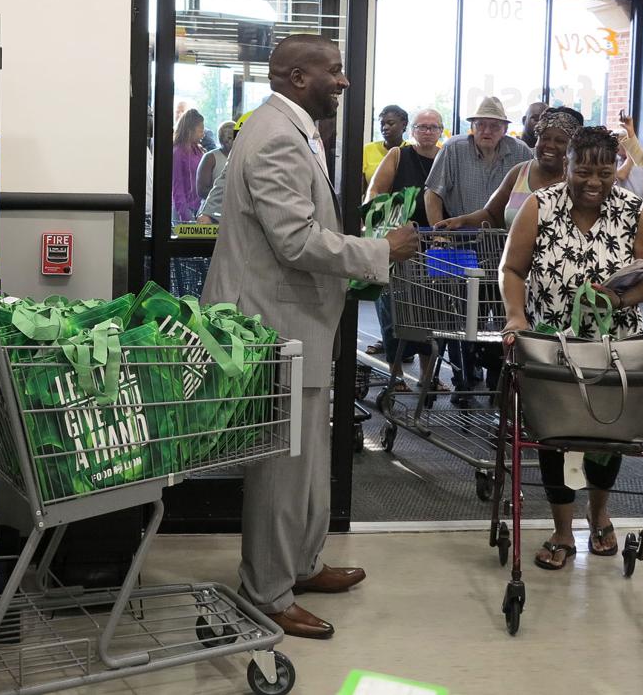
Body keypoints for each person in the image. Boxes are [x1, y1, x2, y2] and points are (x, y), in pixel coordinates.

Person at [202, 34, 419, 640]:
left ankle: (300, 565)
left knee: (307, 456)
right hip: (274, 325)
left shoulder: (286, 126)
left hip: (298, 321)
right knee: (281, 462)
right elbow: (295, 240)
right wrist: (382, 250)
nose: (344, 82)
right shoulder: (275, 135)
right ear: (297, 76)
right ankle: (266, 592)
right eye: (335, 71)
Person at [500, 126, 643, 570]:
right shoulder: (541, 206)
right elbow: (512, 269)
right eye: (583, 170)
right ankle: (561, 529)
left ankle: (599, 514)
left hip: (613, 347)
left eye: (604, 171)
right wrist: (517, 317)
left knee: (607, 434)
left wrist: (618, 297)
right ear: (568, 165)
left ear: (616, 170)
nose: (593, 181)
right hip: (550, 344)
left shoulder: (634, 211)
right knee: (553, 436)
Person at [424, 96, 532, 402]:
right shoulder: (454, 149)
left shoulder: (521, 153)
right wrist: (438, 231)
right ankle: (464, 379)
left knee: (501, 316)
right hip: (462, 245)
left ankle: (499, 380)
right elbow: (432, 193)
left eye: (494, 125)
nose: (487, 130)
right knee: (460, 318)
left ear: (504, 129)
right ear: (472, 127)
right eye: (481, 124)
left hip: (506, 247)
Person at [364, 108, 444, 374]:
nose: (428, 132)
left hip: (433, 245)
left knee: (431, 312)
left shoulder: (446, 157)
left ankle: (428, 376)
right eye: (422, 127)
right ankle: (395, 373)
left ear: (441, 131)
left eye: (433, 127)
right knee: (393, 312)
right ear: (413, 131)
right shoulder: (399, 155)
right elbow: (375, 191)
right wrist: (382, 224)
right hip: (398, 244)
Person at [436, 107, 580, 230]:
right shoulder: (520, 172)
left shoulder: (580, 180)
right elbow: (491, 215)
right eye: (544, 138)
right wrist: (462, 221)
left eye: (560, 141)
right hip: (513, 260)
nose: (549, 145)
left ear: (573, 146)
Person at [362, 104, 409, 193]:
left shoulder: (411, 150)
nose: (385, 128)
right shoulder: (368, 149)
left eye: (390, 123)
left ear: (404, 124)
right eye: (382, 124)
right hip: (373, 204)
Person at [171, 108, 206, 224]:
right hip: (184, 213)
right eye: (200, 130)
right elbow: (177, 187)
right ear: (190, 130)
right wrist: (186, 216)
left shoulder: (199, 150)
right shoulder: (177, 153)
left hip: (199, 210)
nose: (203, 134)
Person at [195, 119, 235, 220]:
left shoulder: (242, 158)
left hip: (234, 214)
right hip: (211, 213)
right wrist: (227, 195)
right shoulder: (210, 158)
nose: (229, 141)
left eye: (233, 137)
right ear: (221, 139)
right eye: (227, 137)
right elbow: (201, 190)